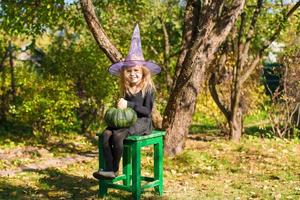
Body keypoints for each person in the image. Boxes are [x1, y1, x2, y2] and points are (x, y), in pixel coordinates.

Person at [93, 24, 161, 179]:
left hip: (143, 123)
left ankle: (115, 170)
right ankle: (107, 168)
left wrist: (129, 105)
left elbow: (147, 111)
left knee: (117, 136)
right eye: (129, 71)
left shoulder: (148, 89)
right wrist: (118, 109)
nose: (132, 74)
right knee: (106, 134)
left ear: (143, 72)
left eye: (136, 70)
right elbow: (124, 112)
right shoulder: (127, 89)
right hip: (128, 122)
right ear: (124, 74)